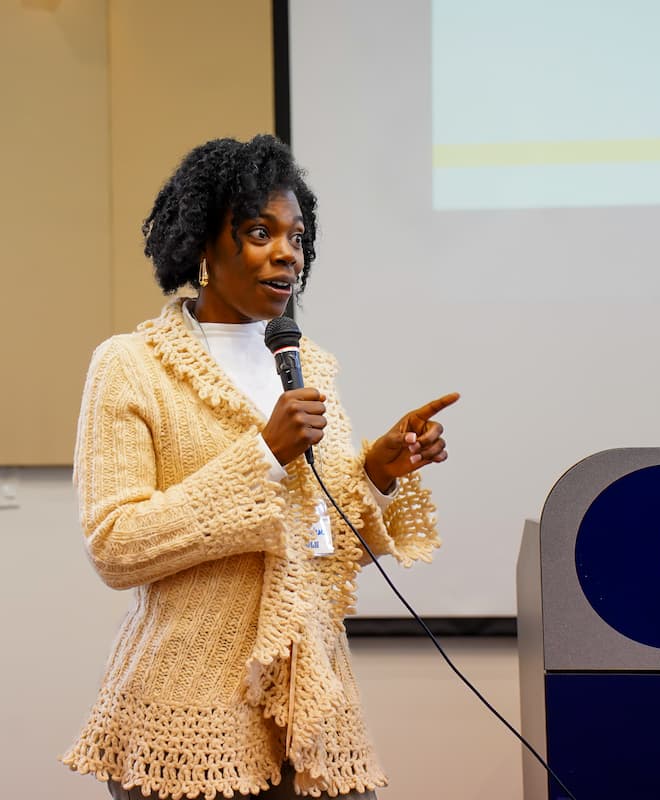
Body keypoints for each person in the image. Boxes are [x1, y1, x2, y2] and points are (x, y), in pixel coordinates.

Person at [62, 135, 458, 799]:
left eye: (297, 237)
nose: (286, 253)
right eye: (258, 232)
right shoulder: (130, 365)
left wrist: (377, 475)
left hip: (313, 714)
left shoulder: (311, 365)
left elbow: (319, 553)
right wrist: (263, 456)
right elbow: (116, 547)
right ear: (201, 248)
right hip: (184, 722)